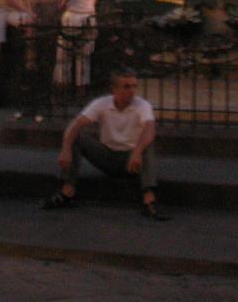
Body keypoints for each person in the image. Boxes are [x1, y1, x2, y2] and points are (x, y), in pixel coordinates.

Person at [41, 69, 166, 220]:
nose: (132, 91)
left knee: (147, 143)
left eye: (134, 86)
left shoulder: (142, 105)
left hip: (131, 160)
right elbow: (76, 125)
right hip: (107, 156)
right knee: (76, 137)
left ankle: (149, 199)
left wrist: (137, 152)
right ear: (114, 89)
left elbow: (149, 130)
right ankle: (67, 192)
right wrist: (66, 149)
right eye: (126, 87)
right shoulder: (102, 104)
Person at [53, 0, 103, 91]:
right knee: (84, 55)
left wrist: (61, 4)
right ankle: (82, 86)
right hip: (89, 18)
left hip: (73, 16)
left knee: (64, 54)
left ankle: (63, 85)